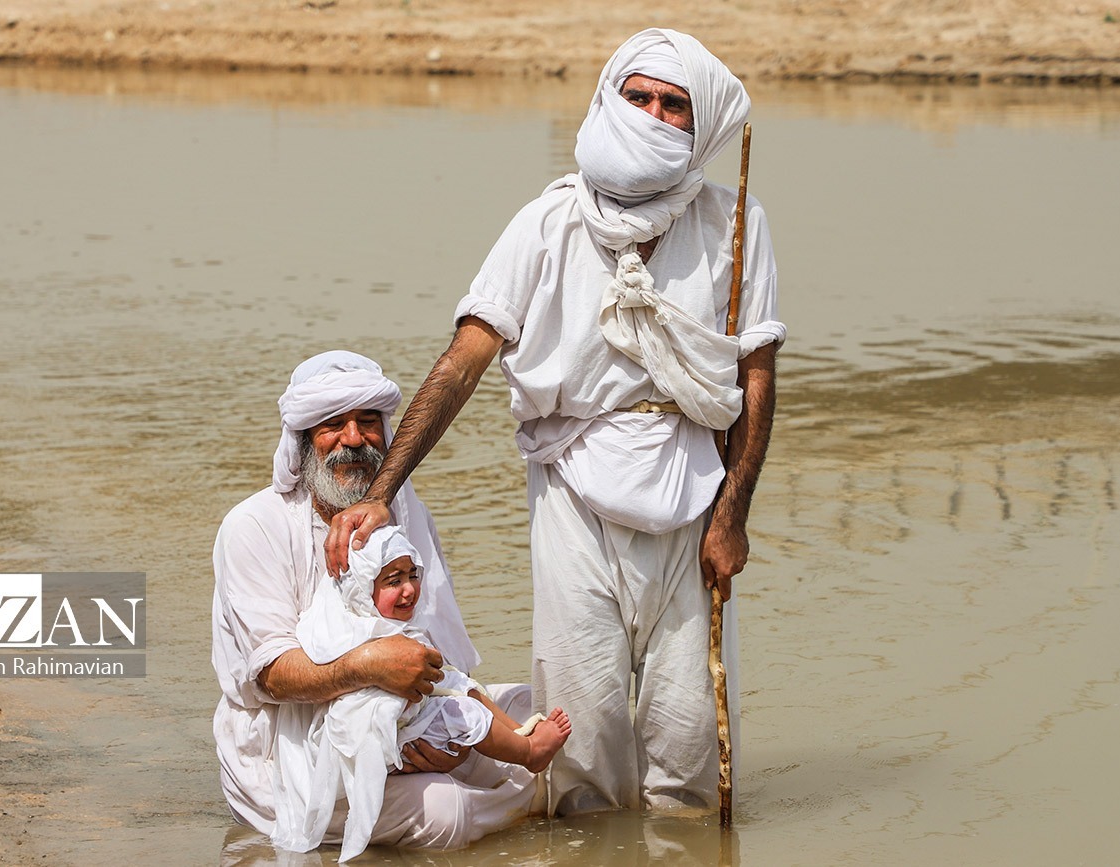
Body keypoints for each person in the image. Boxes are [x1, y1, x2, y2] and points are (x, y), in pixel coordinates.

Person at [325, 28, 786, 816]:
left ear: (701, 124)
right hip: (573, 486)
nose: (651, 114)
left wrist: (732, 516)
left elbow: (756, 374)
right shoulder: (547, 223)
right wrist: (383, 491)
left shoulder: (733, 224)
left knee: (690, 748)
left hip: (694, 491)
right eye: (637, 96)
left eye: (673, 105)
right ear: (607, 100)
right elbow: (465, 360)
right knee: (581, 743)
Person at [211, 350, 542, 852]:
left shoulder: (407, 514)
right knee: (446, 811)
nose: (353, 439)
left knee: (541, 711)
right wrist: (369, 665)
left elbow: (438, 651)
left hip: (407, 715)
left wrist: (446, 739)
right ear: (302, 441)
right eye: (332, 425)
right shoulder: (254, 526)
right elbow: (273, 675)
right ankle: (505, 806)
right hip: (289, 746)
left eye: (368, 422)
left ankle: (504, 798)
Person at [292, 524, 571, 861]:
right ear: (363, 589)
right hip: (386, 737)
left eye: (413, 575)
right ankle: (528, 753)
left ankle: (520, 733)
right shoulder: (360, 632)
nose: (409, 589)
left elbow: (446, 680)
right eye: (393, 581)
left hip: (405, 722)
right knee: (462, 713)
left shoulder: (389, 624)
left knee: (463, 686)